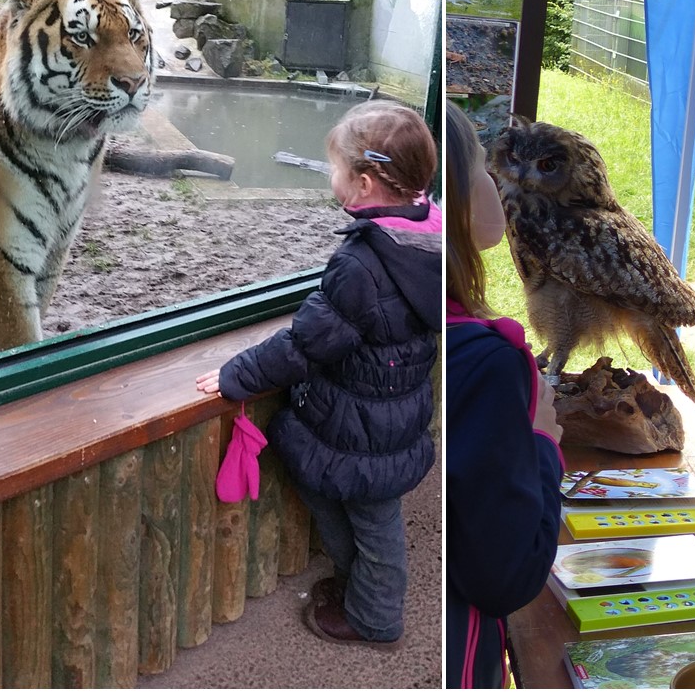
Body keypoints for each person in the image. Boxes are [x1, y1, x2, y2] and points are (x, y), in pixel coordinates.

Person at [196, 100, 441, 651]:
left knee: (375, 525)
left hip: (362, 427)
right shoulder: (427, 228)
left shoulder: (363, 263)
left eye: (333, 169)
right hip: (393, 413)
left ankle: (375, 619)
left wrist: (236, 375)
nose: (329, 177)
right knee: (369, 515)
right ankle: (361, 592)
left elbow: (305, 342)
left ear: (364, 181)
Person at [444, 101, 564, 688]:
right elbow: (506, 576)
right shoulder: (486, 362)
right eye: (480, 170)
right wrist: (541, 439)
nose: (496, 183)